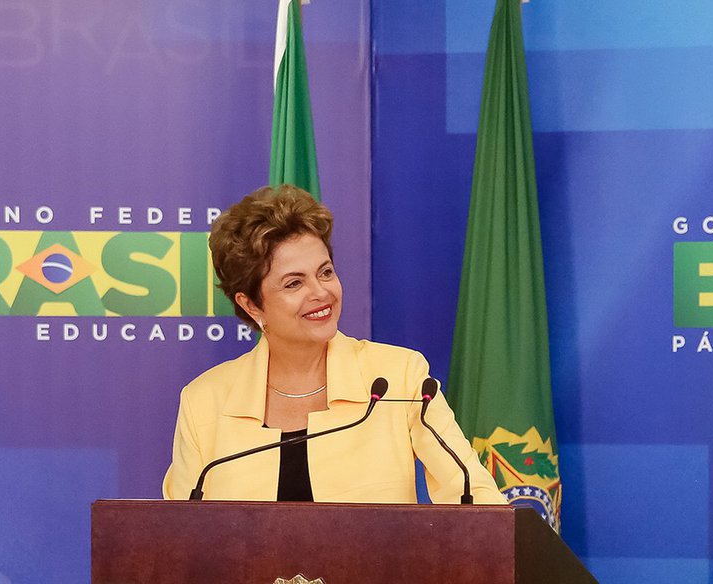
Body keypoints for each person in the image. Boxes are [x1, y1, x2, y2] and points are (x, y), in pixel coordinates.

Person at [163, 184, 506, 504]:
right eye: (294, 283)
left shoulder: (396, 377)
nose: (321, 293)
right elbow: (180, 540)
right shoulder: (205, 401)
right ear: (251, 304)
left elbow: (474, 497)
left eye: (325, 272)